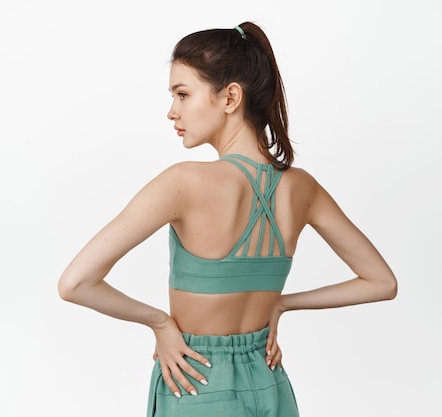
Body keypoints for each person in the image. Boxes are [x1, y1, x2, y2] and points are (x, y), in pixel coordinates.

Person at [58, 21, 397, 417]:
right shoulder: (302, 188)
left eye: (183, 94)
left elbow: (75, 283)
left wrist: (161, 324)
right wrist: (282, 303)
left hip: (195, 381)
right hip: (270, 382)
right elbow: (382, 282)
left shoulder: (183, 182)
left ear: (231, 97)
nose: (172, 111)